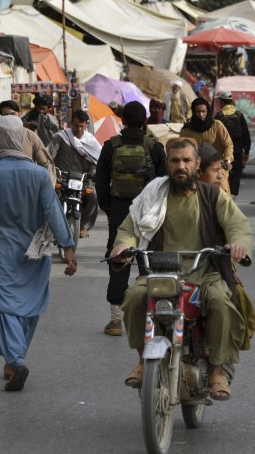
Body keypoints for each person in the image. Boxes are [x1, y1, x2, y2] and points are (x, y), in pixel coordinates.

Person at [111, 138, 252, 401]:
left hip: (204, 273)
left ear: (197, 164)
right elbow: (130, 229)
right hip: (160, 274)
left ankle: (218, 370)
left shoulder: (213, 196)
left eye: (186, 160)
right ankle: (144, 360)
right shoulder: (153, 195)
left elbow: (236, 225)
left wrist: (237, 244)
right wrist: (122, 247)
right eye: (175, 161)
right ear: (167, 163)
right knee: (132, 298)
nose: (181, 166)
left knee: (221, 302)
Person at [0, 116, 77, 392]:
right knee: (27, 306)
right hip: (33, 252)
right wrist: (68, 247)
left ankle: (14, 359)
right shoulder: (40, 175)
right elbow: (53, 211)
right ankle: (15, 357)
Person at [95, 101, 167, 336]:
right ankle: (149, 316)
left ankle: (116, 320)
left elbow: (101, 181)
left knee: (118, 262)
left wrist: (110, 207)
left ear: (122, 121)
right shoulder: (154, 147)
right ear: (145, 120)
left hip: (120, 210)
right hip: (149, 214)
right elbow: (164, 182)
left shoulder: (111, 147)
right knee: (148, 263)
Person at [47, 110, 101, 238]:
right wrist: (49, 170)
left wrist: (93, 173)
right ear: (71, 124)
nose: (79, 129)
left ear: (86, 124)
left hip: (82, 180)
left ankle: (83, 227)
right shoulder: (62, 137)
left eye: (82, 126)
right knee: (47, 197)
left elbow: (96, 161)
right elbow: (48, 155)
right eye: (76, 126)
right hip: (61, 179)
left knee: (93, 197)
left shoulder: (91, 141)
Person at [0, 100, 56, 186]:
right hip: (4, 186)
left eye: (12, 114)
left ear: (19, 114)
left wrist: (47, 188)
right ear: (1, 118)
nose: (10, 118)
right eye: (6, 115)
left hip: (28, 185)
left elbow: (46, 163)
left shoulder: (30, 136)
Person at [180, 98, 234, 194]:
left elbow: (228, 144)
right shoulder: (187, 130)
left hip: (217, 169)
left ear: (208, 112)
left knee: (222, 197)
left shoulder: (217, 125)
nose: (201, 115)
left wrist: (227, 160)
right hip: (197, 172)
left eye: (203, 111)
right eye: (198, 111)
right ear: (193, 112)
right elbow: (182, 150)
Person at [214, 91, 250, 197]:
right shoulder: (239, 115)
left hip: (223, 153)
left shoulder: (219, 116)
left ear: (221, 102)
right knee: (235, 176)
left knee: (223, 175)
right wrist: (246, 151)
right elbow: (246, 135)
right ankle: (232, 197)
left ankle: (224, 196)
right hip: (237, 152)